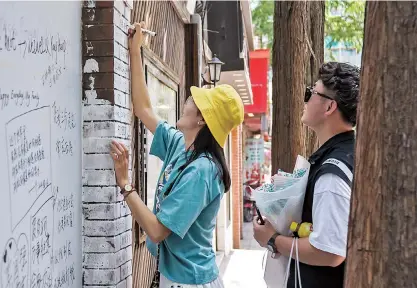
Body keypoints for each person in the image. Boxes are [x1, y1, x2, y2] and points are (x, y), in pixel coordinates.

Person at [110, 22, 244, 288]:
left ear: (203, 121)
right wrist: (135, 51)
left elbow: (158, 231)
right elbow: (144, 110)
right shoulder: (181, 146)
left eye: (196, 101)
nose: (187, 100)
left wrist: (125, 184)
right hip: (176, 277)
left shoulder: (202, 172)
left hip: (190, 283)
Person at [253, 62, 360, 287]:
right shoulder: (348, 153)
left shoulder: (332, 172)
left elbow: (330, 252)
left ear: (329, 107)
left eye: (311, 93)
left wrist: (272, 240)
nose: (305, 99)